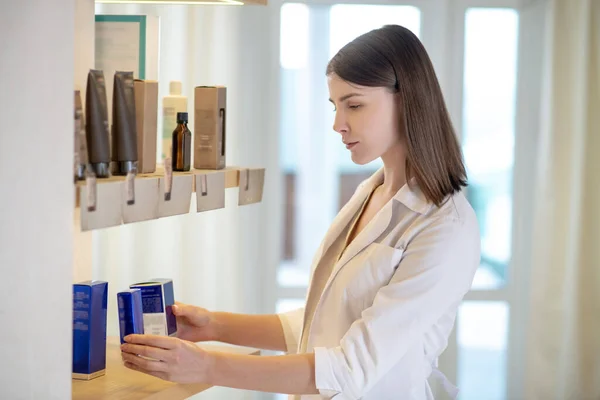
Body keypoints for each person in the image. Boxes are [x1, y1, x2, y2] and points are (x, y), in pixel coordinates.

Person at [120, 24, 480, 400]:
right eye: (335, 106)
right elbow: (322, 323)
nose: (338, 124)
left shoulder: (446, 227)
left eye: (354, 104)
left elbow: (347, 368)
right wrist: (213, 325)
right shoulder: (371, 193)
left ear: (408, 99)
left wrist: (207, 366)